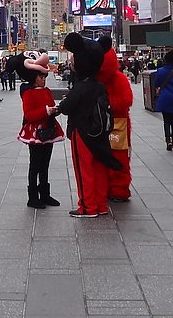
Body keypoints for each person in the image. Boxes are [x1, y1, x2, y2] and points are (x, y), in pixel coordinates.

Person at [49, 33, 122, 218]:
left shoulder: (81, 87)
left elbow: (66, 107)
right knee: (99, 169)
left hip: (82, 132)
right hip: (99, 133)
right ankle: (100, 205)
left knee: (84, 170)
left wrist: (57, 109)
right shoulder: (99, 86)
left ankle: (87, 207)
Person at [15, 52, 64, 209]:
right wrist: (47, 111)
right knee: (35, 165)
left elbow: (50, 107)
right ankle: (32, 197)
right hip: (35, 133)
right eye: (41, 77)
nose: (43, 79)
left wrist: (56, 109)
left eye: (44, 77)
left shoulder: (47, 90)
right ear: (34, 77)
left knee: (45, 164)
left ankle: (45, 194)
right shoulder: (28, 93)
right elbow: (29, 115)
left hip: (48, 131)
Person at [97, 39, 133, 202]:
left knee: (119, 157)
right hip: (103, 124)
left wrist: (106, 105)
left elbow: (126, 100)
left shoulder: (118, 79)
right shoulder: (96, 80)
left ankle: (119, 188)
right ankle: (105, 187)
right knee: (102, 158)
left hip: (118, 123)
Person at [153, 51, 173, 150]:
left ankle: (168, 141)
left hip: (164, 98)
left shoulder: (160, 71)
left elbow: (156, 84)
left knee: (166, 120)